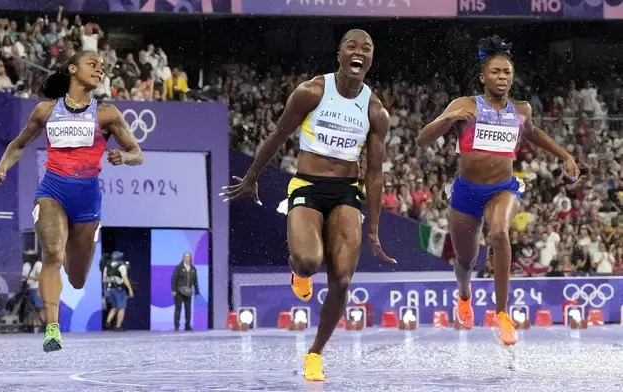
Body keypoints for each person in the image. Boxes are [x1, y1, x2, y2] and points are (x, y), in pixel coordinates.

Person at [220, 29, 395, 381]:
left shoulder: (376, 112)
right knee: (308, 261)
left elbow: (374, 175)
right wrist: (252, 175)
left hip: (347, 190)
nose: (359, 51)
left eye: (367, 48)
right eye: (352, 46)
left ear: (371, 59)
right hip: (307, 185)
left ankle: (314, 353)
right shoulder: (312, 92)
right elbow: (279, 134)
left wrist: (373, 227)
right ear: (340, 55)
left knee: (343, 280)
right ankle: (298, 271)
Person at [417, 35, 579, 345]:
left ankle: (502, 314)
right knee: (466, 260)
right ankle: (464, 294)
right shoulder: (464, 105)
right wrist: (449, 119)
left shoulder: (522, 110)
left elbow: (532, 134)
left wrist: (564, 155)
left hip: (503, 188)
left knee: (499, 233)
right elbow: (423, 140)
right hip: (466, 192)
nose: (502, 77)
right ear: (482, 77)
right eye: (495, 72)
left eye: (507, 72)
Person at [0, 48, 143, 352]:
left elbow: (137, 154)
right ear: (72, 69)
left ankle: (73, 271)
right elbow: (18, 145)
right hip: (52, 191)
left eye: (102, 66)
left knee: (76, 279)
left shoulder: (107, 113)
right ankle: (52, 329)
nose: (99, 69)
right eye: (92, 64)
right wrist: (2, 167)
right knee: (53, 255)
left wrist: (123, 156)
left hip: (87, 201)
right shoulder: (45, 111)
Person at [103, 251, 134, 331]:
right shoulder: (121, 266)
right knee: (122, 308)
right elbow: (125, 278)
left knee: (114, 307)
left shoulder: (107, 267)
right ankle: (118, 326)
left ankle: (107, 322)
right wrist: (130, 289)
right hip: (119, 289)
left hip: (110, 289)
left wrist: (106, 290)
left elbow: (104, 279)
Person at [171, 252, 201, 331]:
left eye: (189, 257)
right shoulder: (178, 267)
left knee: (188, 309)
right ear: (183, 258)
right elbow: (174, 279)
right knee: (178, 309)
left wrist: (197, 292)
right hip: (179, 292)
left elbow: (195, 282)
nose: (188, 258)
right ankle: (176, 326)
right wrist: (173, 290)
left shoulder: (193, 269)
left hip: (188, 292)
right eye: (186, 257)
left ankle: (187, 326)